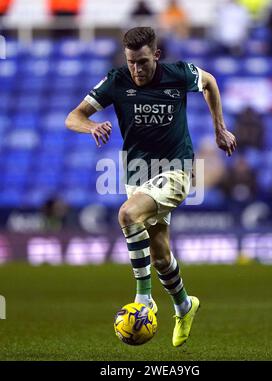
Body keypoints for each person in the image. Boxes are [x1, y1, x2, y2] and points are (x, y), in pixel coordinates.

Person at [65, 27, 237, 347]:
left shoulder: (178, 74)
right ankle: (184, 305)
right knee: (160, 257)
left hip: (176, 171)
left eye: (142, 62)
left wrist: (219, 129)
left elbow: (210, 82)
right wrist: (90, 126)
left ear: (155, 55)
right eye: (131, 62)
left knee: (128, 215)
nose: (136, 69)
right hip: (138, 176)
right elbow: (73, 117)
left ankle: (143, 299)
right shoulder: (116, 80)